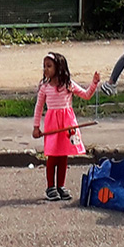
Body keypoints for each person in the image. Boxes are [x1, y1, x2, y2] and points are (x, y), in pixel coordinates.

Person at [32, 52, 99, 202]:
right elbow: (39, 107)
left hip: (67, 126)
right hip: (52, 126)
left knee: (63, 156)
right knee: (52, 156)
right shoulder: (44, 87)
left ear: (59, 67)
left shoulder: (68, 84)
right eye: (44, 66)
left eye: (49, 66)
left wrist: (94, 83)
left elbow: (86, 95)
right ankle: (50, 187)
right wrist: (36, 127)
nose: (45, 69)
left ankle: (61, 186)